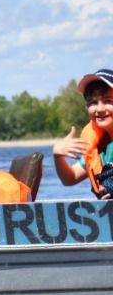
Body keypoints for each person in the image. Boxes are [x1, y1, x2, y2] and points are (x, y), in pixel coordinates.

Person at [51, 68, 113, 199]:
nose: (100, 109)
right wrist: (58, 156)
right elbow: (70, 178)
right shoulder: (99, 145)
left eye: (108, 101)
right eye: (93, 103)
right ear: (86, 108)